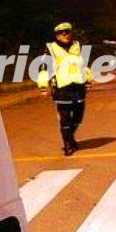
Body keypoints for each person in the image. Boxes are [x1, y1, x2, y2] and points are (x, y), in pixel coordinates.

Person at [37, 22, 93, 156]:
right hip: (62, 88)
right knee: (65, 118)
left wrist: (88, 80)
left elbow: (84, 65)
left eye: (68, 32)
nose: (66, 35)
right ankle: (68, 144)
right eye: (63, 33)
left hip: (78, 87)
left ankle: (70, 137)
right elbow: (44, 67)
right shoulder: (50, 48)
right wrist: (43, 85)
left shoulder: (77, 46)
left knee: (79, 117)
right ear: (57, 35)